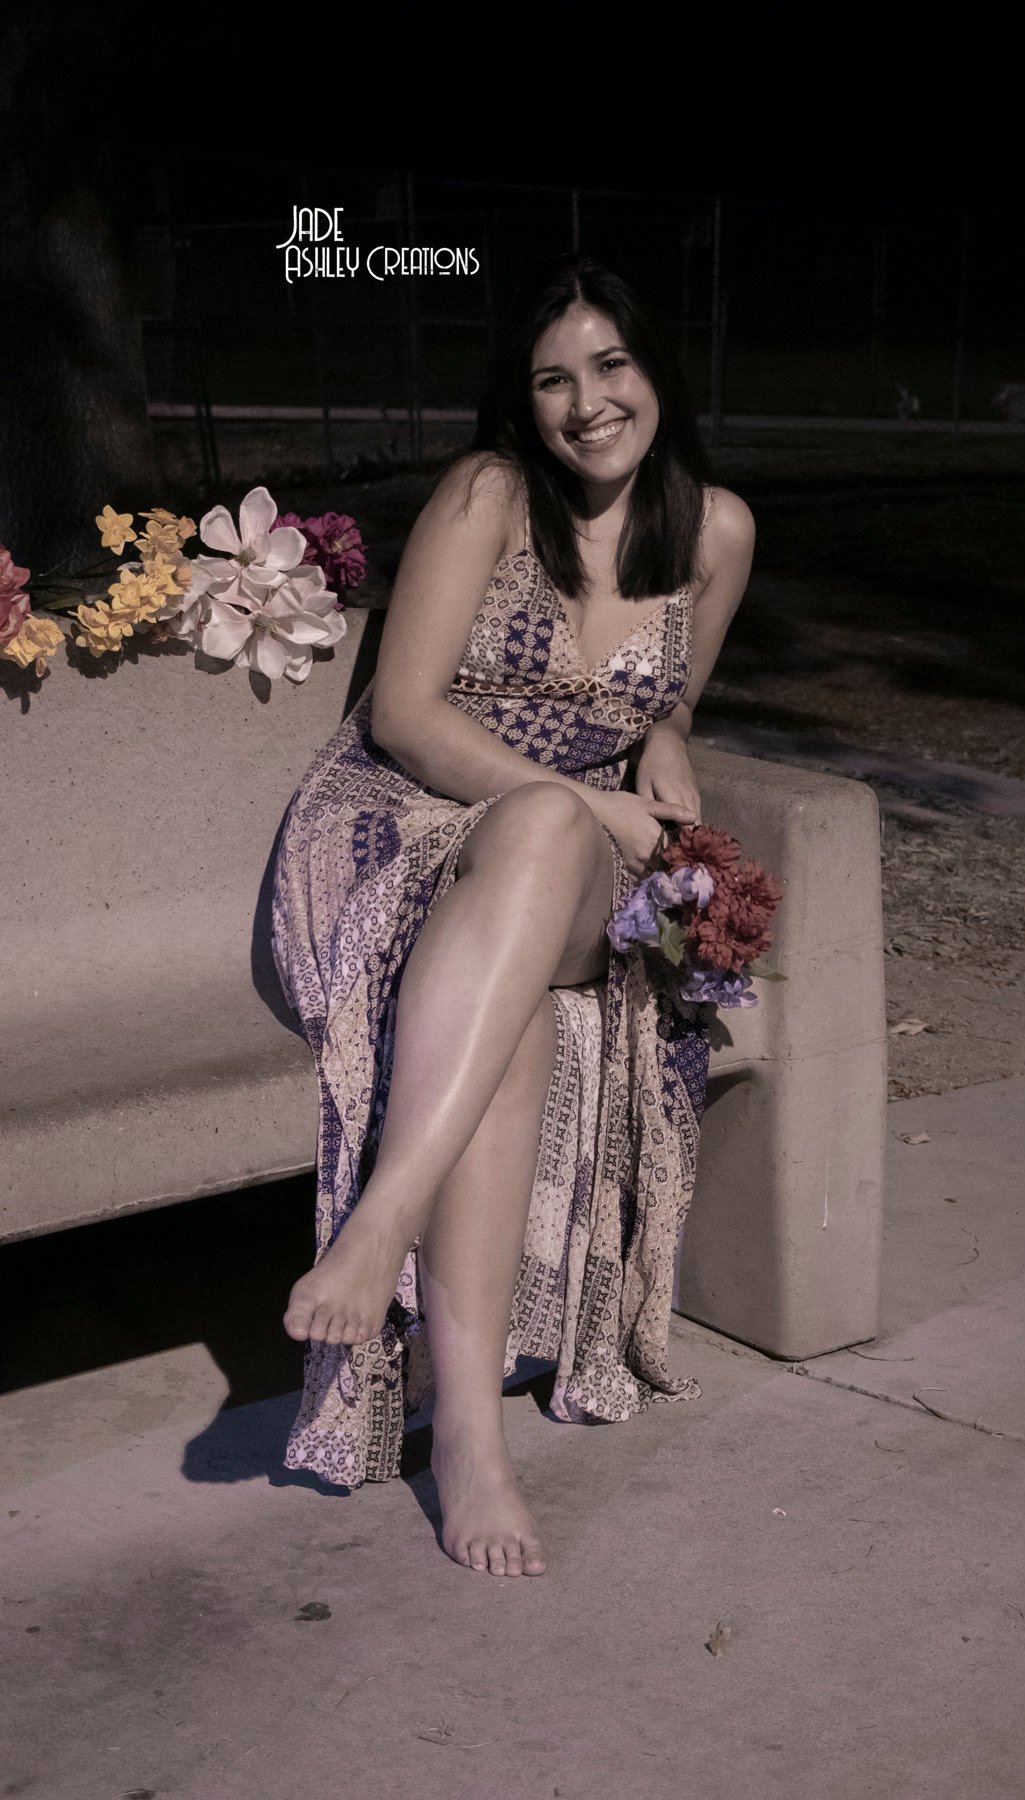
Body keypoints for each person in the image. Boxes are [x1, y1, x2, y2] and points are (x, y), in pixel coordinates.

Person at [270, 251, 756, 1578]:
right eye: (552, 379)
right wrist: (588, 804)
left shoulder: (716, 532)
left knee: (546, 844)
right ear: (521, 403)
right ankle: (472, 1441)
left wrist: (668, 781)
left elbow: (670, 704)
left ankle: (384, 1226)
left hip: (559, 850)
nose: (587, 403)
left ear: (656, 373)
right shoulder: (488, 494)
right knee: (530, 978)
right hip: (401, 820)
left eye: (610, 366)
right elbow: (404, 713)